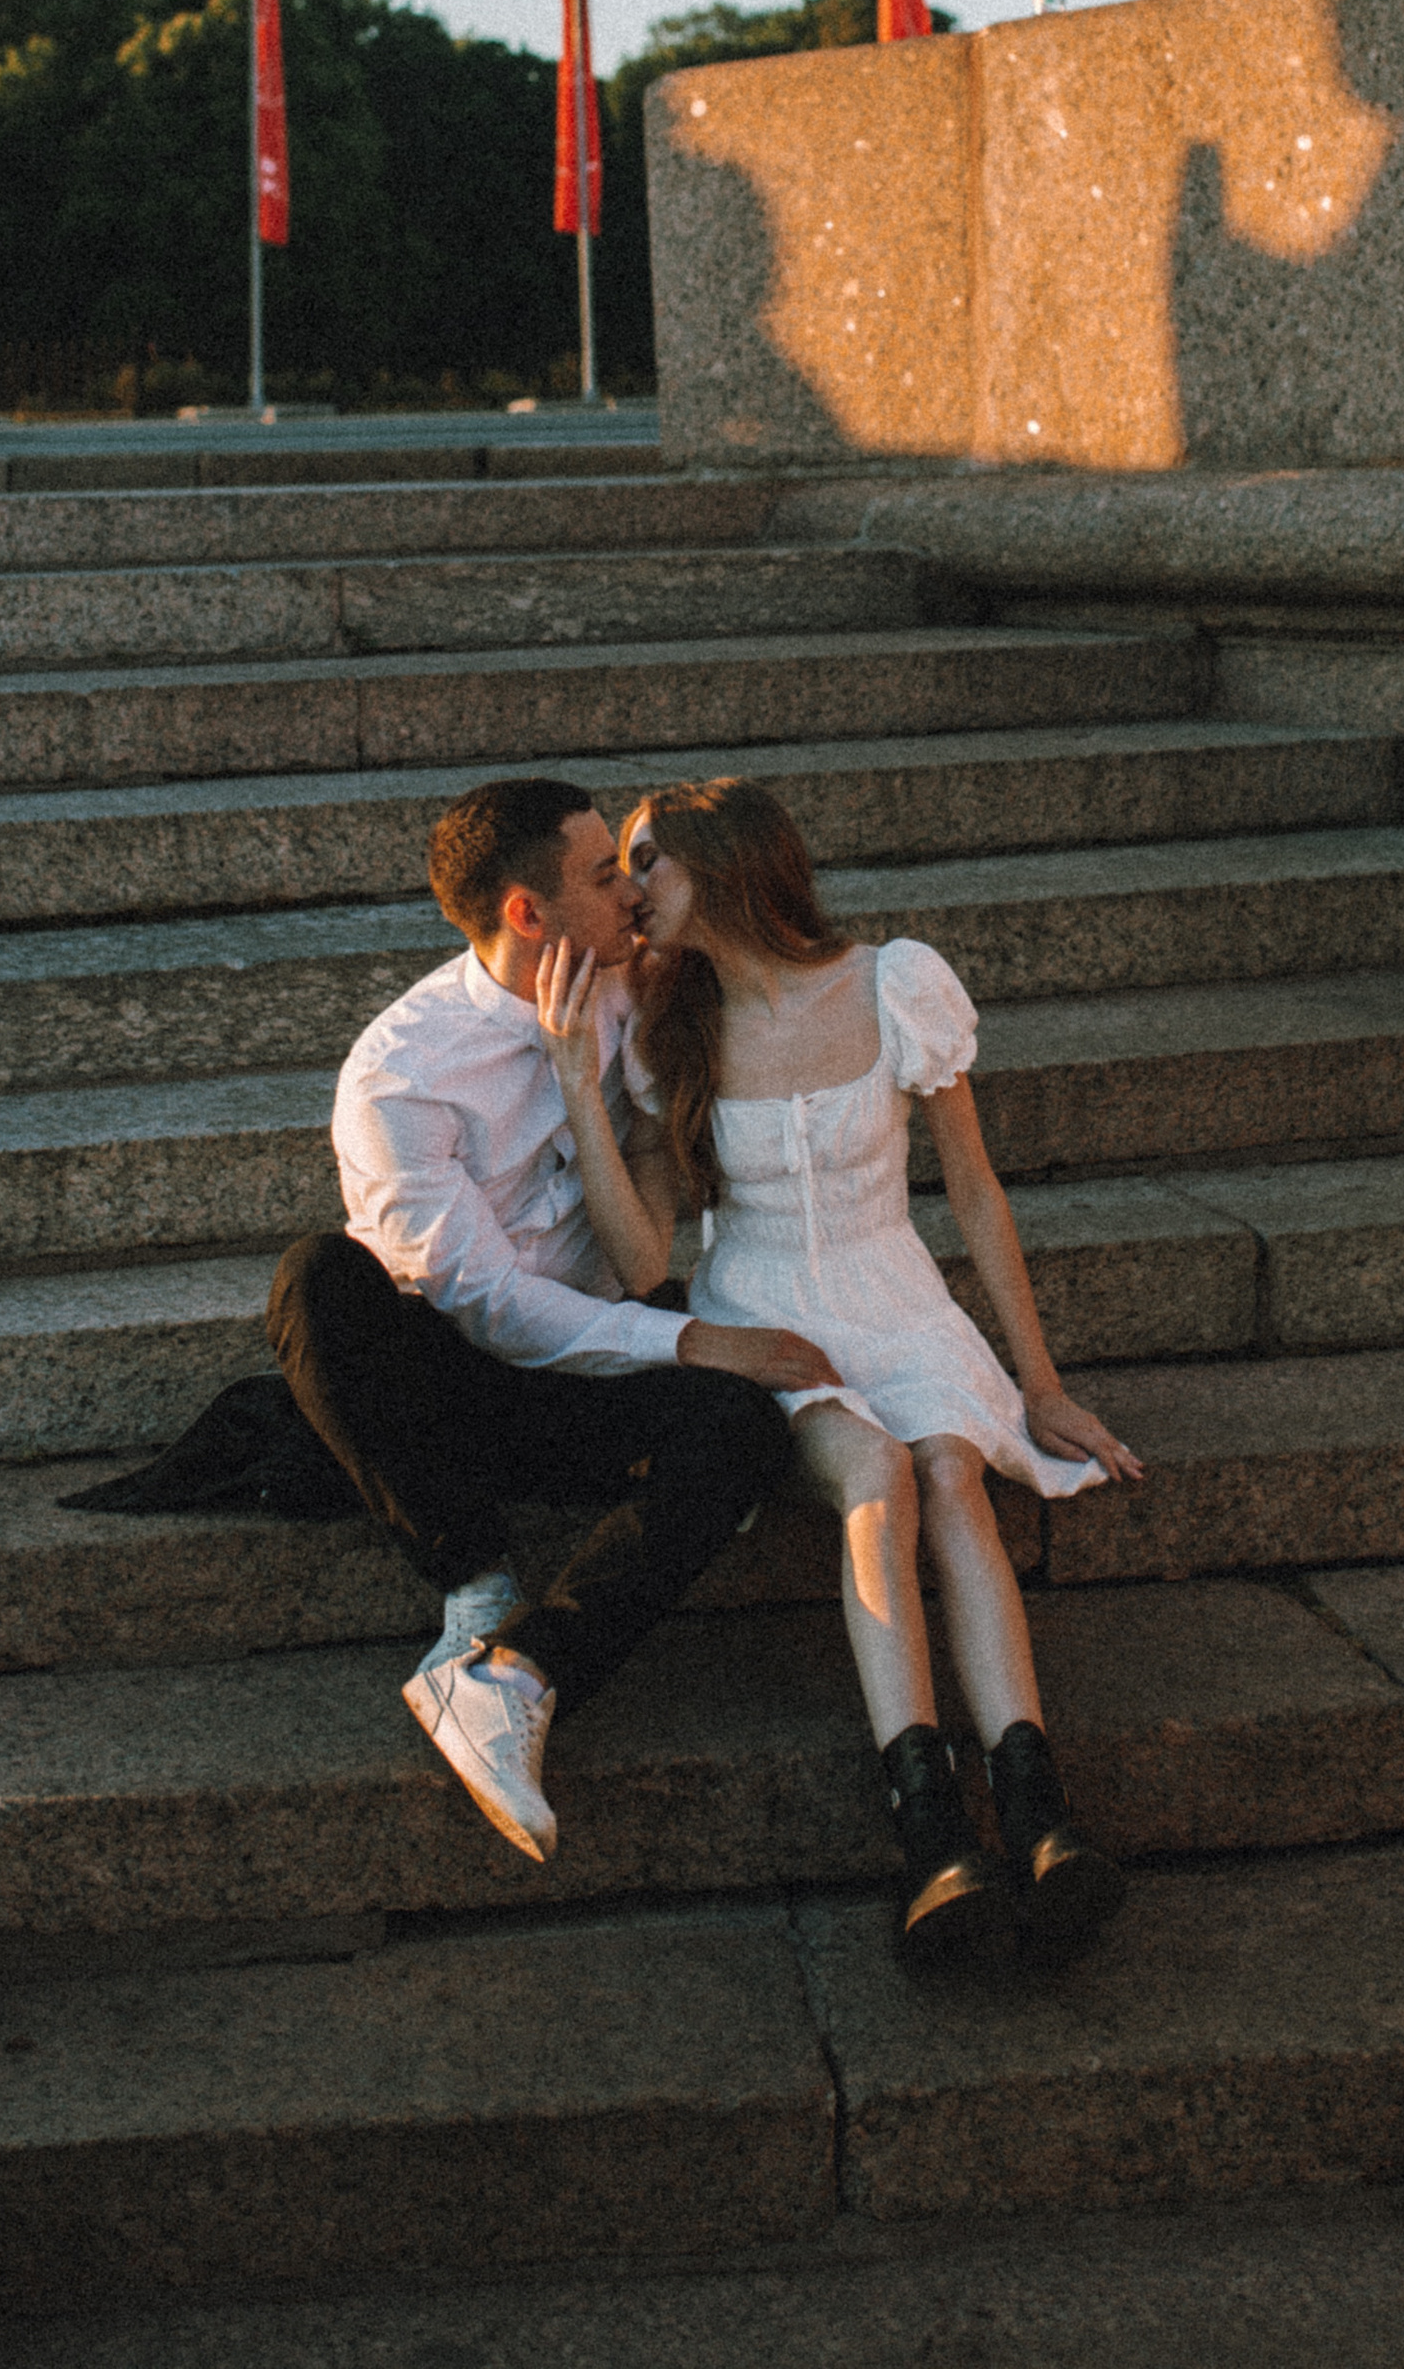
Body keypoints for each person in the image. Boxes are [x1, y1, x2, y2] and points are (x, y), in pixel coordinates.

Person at [537, 774, 1142, 1967]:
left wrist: (1040, 1382)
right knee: (877, 1473)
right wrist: (574, 1083)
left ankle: (1037, 1808)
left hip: (897, 1295)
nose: (629, 890)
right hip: (764, 1310)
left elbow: (971, 1188)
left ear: (721, 863)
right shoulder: (667, 1025)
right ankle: (929, 1838)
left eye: (647, 861)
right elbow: (645, 1251)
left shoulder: (894, 982)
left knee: (954, 1471)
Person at [262, 776, 812, 1868]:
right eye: (605, 874)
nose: (631, 891)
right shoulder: (400, 1072)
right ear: (527, 914)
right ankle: (475, 1589)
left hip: (598, 1368)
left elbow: (651, 1248)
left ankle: (517, 1674)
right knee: (316, 1278)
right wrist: (694, 1338)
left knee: (744, 1430)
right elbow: (489, 1306)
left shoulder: (630, 987)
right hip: (450, 1383)